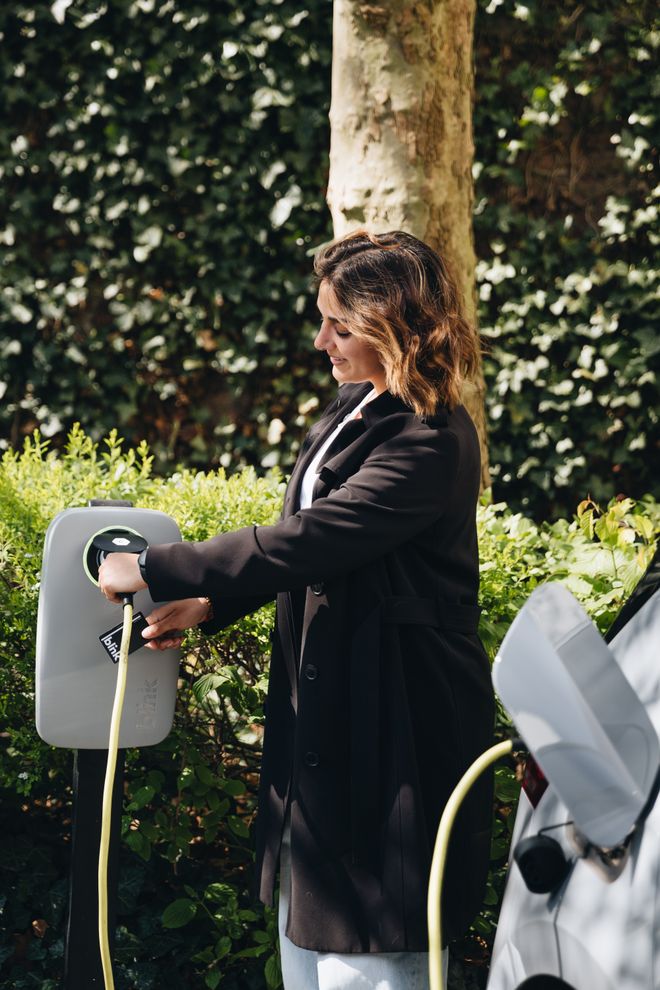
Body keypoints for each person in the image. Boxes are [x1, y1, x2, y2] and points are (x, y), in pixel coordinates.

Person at [99, 229, 495, 990]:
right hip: (330, 704)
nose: (321, 341)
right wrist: (212, 601)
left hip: (400, 716)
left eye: (340, 326)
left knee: (376, 942)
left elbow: (315, 537)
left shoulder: (432, 439)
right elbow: (314, 550)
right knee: (306, 930)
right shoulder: (358, 409)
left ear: (399, 327)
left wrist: (152, 566)